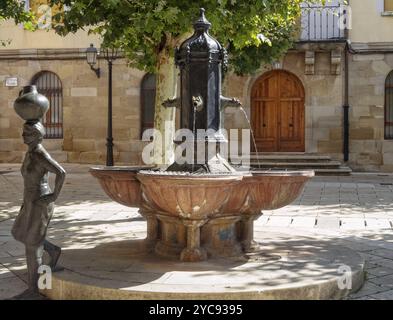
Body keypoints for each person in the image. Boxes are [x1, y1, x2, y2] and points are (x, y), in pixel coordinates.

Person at [11, 121, 66, 299]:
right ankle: (53, 251)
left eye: (28, 133)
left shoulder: (40, 153)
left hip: (40, 202)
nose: (23, 136)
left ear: (38, 136)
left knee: (31, 245)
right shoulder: (31, 152)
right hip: (30, 200)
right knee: (21, 233)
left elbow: (61, 172)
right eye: (24, 132)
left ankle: (33, 290)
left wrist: (53, 196)